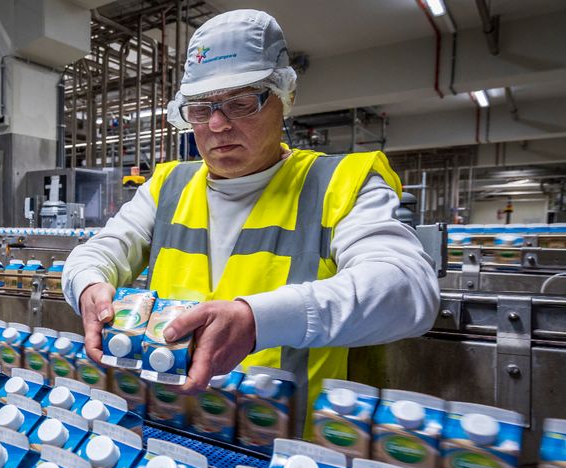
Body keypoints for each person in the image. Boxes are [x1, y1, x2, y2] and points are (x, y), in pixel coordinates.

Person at [61, 9, 439, 431]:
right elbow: (97, 252)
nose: (218, 125)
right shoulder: (166, 186)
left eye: (240, 103)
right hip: (173, 424)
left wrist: (256, 321)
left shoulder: (341, 184)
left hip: (291, 450)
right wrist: (88, 285)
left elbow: (408, 289)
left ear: (283, 98)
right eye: (201, 110)